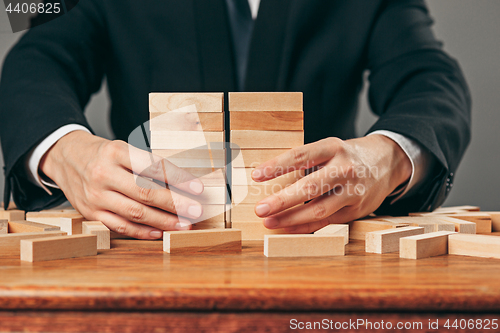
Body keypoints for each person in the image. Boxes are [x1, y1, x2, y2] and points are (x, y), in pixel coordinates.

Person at [0, 0, 471, 239]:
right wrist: (65, 151)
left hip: (311, 258)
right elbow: (34, 57)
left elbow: (429, 75)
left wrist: (388, 155)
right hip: (150, 249)